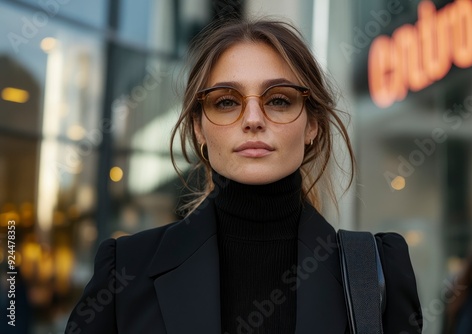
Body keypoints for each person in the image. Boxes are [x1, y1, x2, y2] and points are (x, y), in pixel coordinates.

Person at [65, 18, 422, 334]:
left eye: (279, 100)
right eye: (226, 101)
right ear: (199, 128)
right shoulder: (125, 267)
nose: (253, 119)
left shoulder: (375, 269)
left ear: (312, 123)